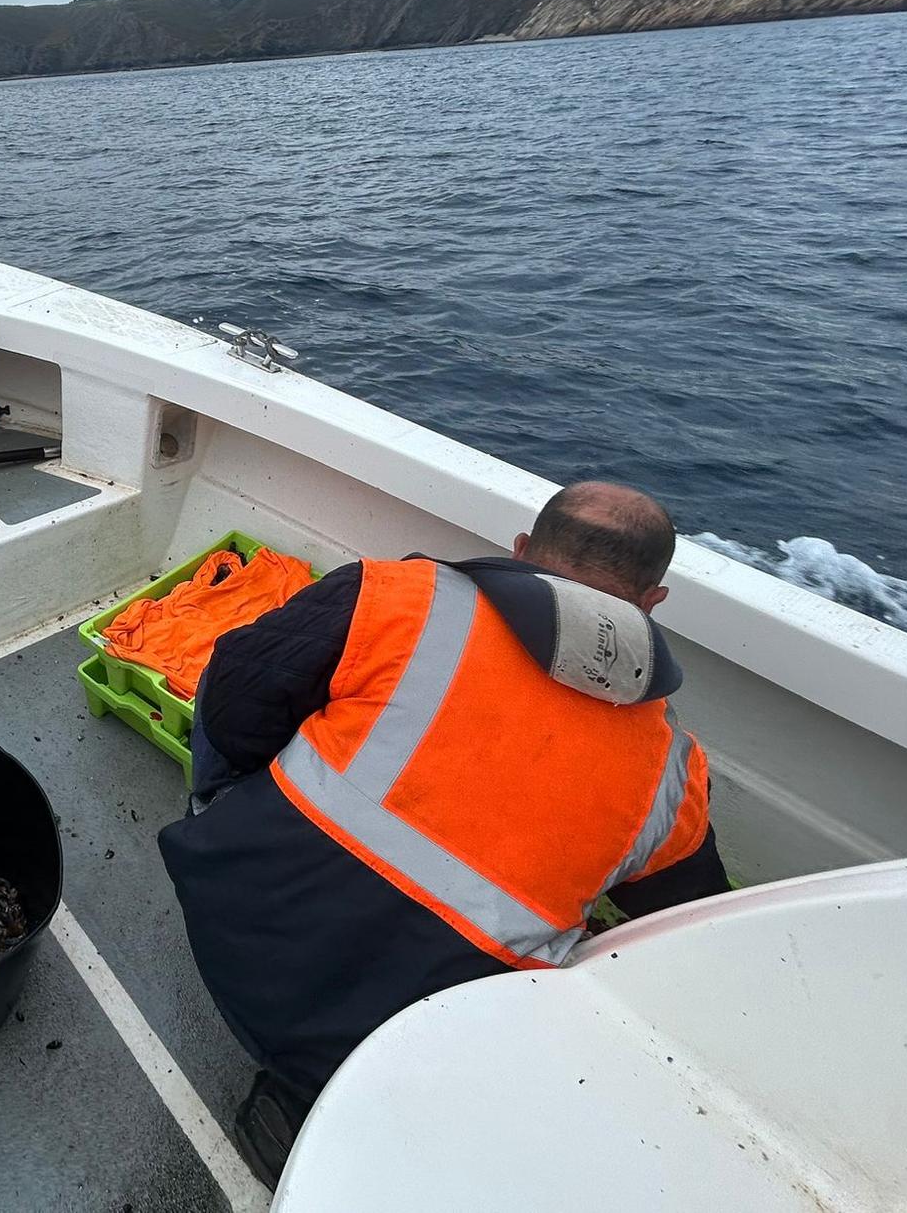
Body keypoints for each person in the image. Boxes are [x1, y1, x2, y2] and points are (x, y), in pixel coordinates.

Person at [160, 482, 730, 1185]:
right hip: (396, 1051)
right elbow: (694, 930)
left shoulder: (394, 593)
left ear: (521, 551)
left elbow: (235, 700)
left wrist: (246, 797)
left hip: (229, 916)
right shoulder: (677, 773)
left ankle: (219, 824)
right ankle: (310, 1108)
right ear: (651, 602)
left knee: (240, 669)